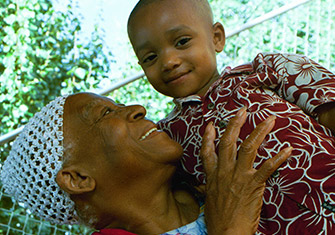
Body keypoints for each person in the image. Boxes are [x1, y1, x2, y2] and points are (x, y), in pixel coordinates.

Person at [127, 0, 335, 234]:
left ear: (217, 37)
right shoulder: (166, 139)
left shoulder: (265, 70)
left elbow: (327, 106)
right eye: (150, 57)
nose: (168, 62)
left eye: (182, 42)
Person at [0, 92, 291, 235]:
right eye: (105, 114)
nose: (138, 108)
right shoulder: (230, 202)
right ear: (77, 178)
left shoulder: (215, 181)